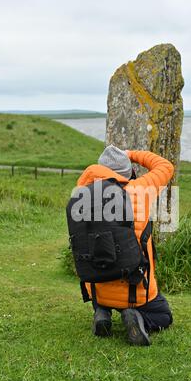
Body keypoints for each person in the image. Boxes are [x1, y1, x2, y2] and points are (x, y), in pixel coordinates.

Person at [75, 145, 174, 346]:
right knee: (164, 316)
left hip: (96, 286)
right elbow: (165, 166)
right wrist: (130, 154)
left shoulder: (81, 194)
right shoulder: (140, 190)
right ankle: (136, 316)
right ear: (127, 172)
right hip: (135, 289)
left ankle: (102, 312)